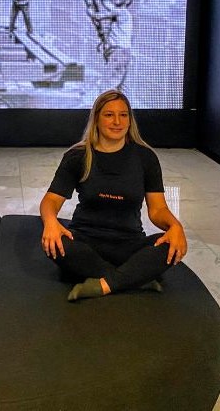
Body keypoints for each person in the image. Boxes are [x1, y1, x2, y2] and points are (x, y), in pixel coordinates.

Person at [39, 89, 186, 302]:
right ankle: (135, 278)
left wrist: (176, 226)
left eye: (123, 115)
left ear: (129, 120)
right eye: (109, 115)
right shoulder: (77, 156)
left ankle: (103, 283)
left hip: (129, 244)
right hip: (85, 242)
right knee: (55, 244)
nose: (117, 121)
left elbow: (158, 209)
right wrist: (51, 222)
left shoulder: (145, 157)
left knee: (169, 246)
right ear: (96, 118)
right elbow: (51, 200)